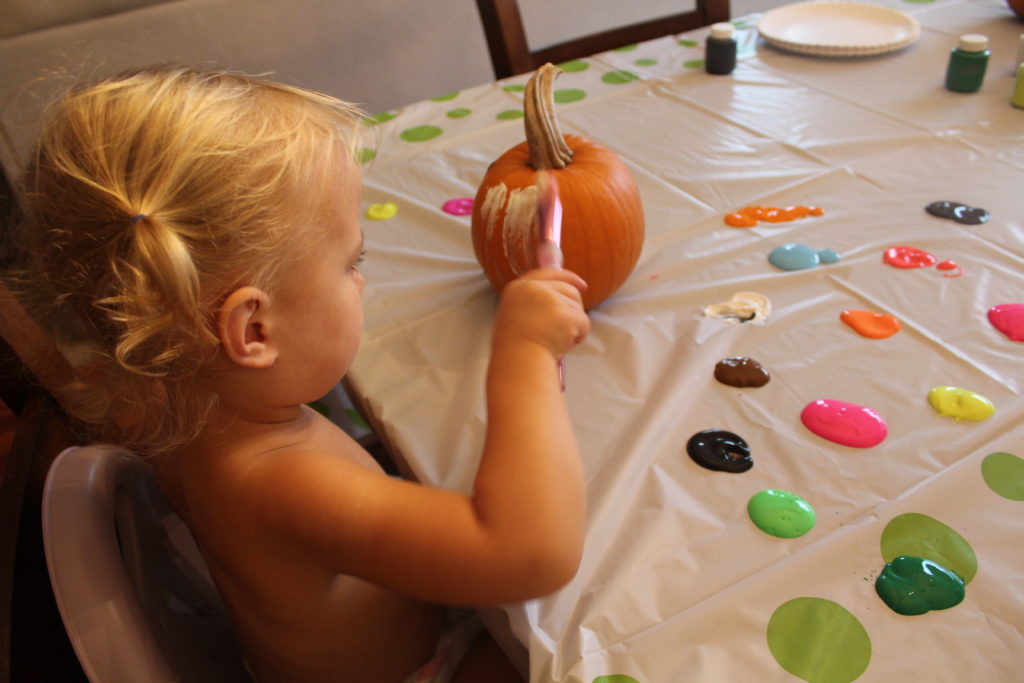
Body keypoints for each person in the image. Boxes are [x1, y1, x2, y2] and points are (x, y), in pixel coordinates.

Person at [16, 65, 590, 682]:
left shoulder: (169, 393)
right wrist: (523, 355)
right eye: (351, 262)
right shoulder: (281, 480)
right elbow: (529, 555)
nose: (363, 280)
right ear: (255, 332)